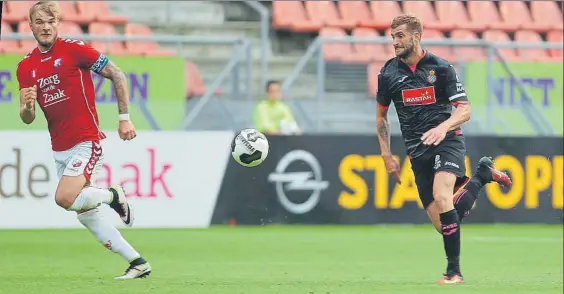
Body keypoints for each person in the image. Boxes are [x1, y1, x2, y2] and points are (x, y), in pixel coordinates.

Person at [16, 1, 151, 280]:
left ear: (58, 24)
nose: (46, 26)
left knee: (64, 198)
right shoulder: (25, 66)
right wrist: (28, 107)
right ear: (30, 26)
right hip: (60, 148)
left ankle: (114, 195)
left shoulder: (74, 49)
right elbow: (26, 117)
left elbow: (117, 73)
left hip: (86, 139)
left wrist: (124, 117)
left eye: (51, 21)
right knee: (86, 214)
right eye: (39, 22)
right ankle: (138, 263)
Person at [375, 14, 512, 284]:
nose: (395, 42)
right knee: (445, 224)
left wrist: (443, 127)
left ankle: (454, 272)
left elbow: (465, 110)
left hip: (447, 141)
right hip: (417, 152)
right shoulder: (388, 73)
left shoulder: (441, 68)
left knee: (442, 195)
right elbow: (381, 117)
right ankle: (482, 175)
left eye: (400, 35)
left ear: (416, 36)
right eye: (392, 36)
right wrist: (386, 154)